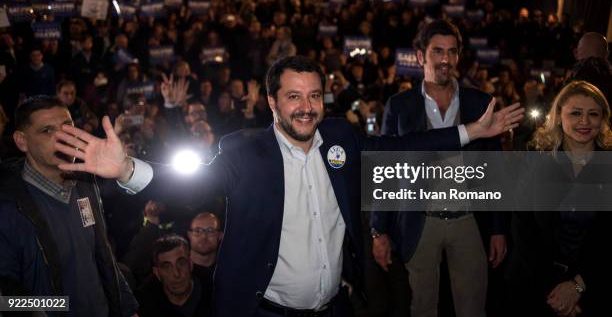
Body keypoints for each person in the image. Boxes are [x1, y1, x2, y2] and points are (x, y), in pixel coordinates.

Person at [59, 56, 523, 317]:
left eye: (315, 95)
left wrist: (469, 133)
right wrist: (126, 171)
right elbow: (191, 184)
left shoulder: (340, 137)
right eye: (294, 96)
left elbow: (401, 144)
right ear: (272, 102)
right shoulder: (244, 152)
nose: (307, 107)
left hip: (335, 308)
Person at [371, 19, 508, 317]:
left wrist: (497, 229)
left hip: (469, 221)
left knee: (473, 308)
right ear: (421, 56)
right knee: (421, 308)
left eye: (452, 51)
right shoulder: (399, 105)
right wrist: (377, 230)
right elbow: (385, 170)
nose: (445, 59)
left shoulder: (481, 103)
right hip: (419, 221)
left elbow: (494, 170)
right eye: (437, 51)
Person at [0, 95, 153, 317]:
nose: (61, 138)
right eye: (47, 131)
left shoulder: (85, 184)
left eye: (67, 128)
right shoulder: (8, 205)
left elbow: (103, 257)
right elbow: (6, 298)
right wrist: (54, 309)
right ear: (21, 141)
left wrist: (127, 308)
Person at [506, 80, 612, 317]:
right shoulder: (536, 160)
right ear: (558, 115)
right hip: (534, 286)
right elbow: (523, 227)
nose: (584, 121)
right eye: (575, 113)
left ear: (602, 119)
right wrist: (554, 291)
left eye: (593, 114)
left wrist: (577, 287)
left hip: (592, 288)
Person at [137, 234, 210, 317]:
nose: (176, 274)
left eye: (181, 263)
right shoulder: (143, 304)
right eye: (166, 267)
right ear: (157, 273)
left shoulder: (215, 288)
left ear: (191, 263)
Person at [187, 212, 223, 287]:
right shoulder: (178, 270)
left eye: (210, 231)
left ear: (220, 236)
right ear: (189, 235)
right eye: (197, 231)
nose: (203, 236)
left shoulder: (227, 270)